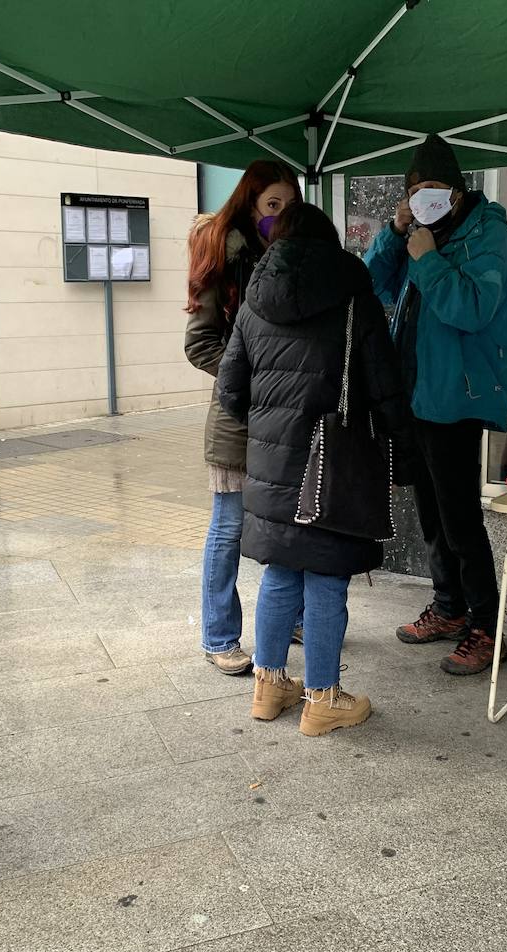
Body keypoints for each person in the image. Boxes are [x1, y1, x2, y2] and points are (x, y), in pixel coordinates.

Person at [217, 203, 409, 735]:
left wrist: (268, 424)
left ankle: (269, 686)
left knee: (280, 573)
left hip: (270, 463)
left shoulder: (255, 300)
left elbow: (229, 390)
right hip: (336, 463)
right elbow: (384, 383)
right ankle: (323, 697)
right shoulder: (352, 295)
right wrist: (405, 449)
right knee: (325, 576)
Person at [365, 134, 507, 676]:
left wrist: (429, 261)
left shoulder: (491, 236)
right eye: (414, 190)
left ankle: (487, 626)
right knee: (432, 512)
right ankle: (450, 607)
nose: (423, 197)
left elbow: (473, 309)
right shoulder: (419, 233)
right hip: (416, 393)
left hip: (457, 396)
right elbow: (367, 285)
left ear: (458, 191)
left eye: (433, 187)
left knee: (459, 517)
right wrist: (395, 232)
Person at [184, 160, 302, 676]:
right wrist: (250, 382)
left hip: (286, 420)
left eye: (288, 206)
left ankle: (286, 615)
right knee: (229, 527)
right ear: (250, 203)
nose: (279, 215)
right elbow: (199, 344)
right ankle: (219, 635)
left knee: (287, 521)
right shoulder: (224, 257)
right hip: (237, 419)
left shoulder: (290, 257)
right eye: (272, 204)